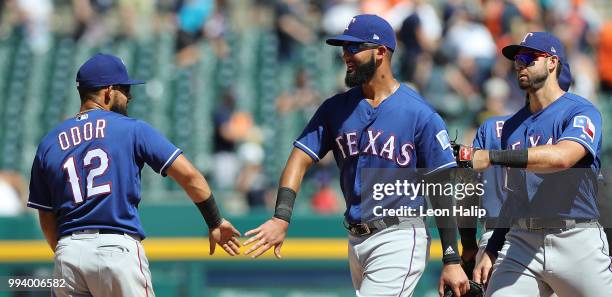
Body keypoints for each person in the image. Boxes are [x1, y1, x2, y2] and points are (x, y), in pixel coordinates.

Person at [243, 14, 470, 297]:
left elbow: (441, 189)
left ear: (381, 52)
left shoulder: (420, 114)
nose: (346, 56)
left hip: (399, 235)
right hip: (355, 239)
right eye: (343, 49)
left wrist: (452, 259)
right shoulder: (335, 108)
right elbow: (299, 159)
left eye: (354, 48)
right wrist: (281, 217)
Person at [27, 53, 241, 297]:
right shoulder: (132, 129)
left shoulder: (49, 143)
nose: (130, 96)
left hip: (68, 253)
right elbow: (190, 176)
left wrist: (69, 252)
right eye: (124, 89)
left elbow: (46, 215)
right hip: (116, 250)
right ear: (108, 91)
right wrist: (215, 220)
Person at [465, 32, 612, 296]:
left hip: (575, 237)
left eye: (529, 58)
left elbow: (562, 157)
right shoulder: (511, 126)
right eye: (517, 59)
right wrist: (494, 247)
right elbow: (517, 194)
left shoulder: (580, 110)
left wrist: (492, 156)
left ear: (552, 62)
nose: (519, 64)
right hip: (522, 241)